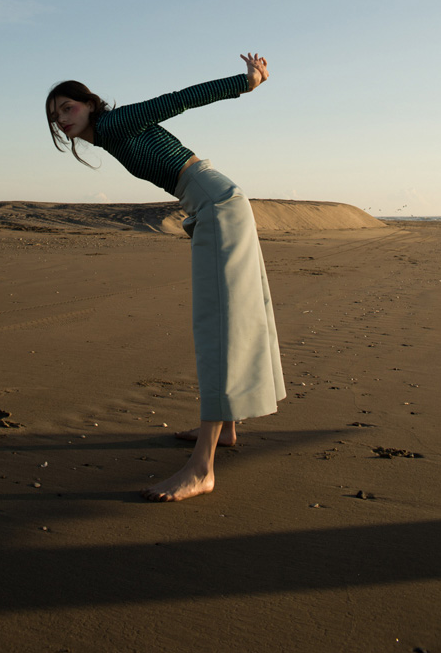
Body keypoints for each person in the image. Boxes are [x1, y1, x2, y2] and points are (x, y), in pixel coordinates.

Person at [45, 53, 285, 502]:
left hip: (218, 205)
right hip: (210, 204)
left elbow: (179, 100)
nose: (61, 121)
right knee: (224, 317)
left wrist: (247, 82)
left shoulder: (116, 123)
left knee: (218, 324)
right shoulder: (107, 136)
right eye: (55, 117)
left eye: (67, 109)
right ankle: (226, 427)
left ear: (89, 104)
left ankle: (202, 467)